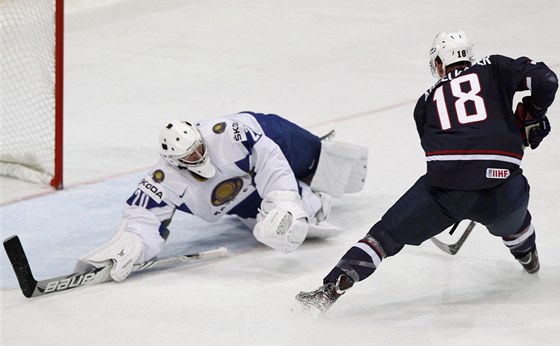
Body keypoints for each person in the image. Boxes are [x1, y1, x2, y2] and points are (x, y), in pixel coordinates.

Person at [295, 30, 558, 312]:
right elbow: (547, 80)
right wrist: (531, 116)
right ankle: (528, 256)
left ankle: (331, 288)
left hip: (447, 190)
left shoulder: (424, 103)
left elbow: (443, 147)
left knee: (383, 237)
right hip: (503, 189)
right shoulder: (494, 67)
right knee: (516, 222)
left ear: (440, 64)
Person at [75, 111, 369, 282]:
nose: (198, 155)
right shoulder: (164, 178)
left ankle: (313, 163)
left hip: (272, 134)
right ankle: (311, 198)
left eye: (198, 148)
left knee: (319, 163)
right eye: (190, 156)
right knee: (303, 222)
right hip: (243, 196)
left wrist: (283, 199)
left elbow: (268, 158)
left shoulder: (226, 133)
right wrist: (134, 245)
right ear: (176, 161)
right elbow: (144, 216)